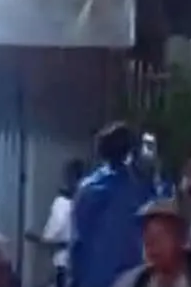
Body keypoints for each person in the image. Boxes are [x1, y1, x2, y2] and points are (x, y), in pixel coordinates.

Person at [70, 123, 159, 287]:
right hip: (132, 276)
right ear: (131, 151)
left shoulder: (89, 188)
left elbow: (78, 241)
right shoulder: (141, 189)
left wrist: (74, 279)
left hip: (95, 277)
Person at [111, 201, 191, 287]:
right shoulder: (133, 281)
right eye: (147, 237)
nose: (152, 244)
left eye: (160, 236)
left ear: (181, 237)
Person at [28, 159, 84, 287]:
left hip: (64, 263)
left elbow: (51, 236)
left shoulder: (62, 204)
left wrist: (35, 237)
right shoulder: (89, 202)